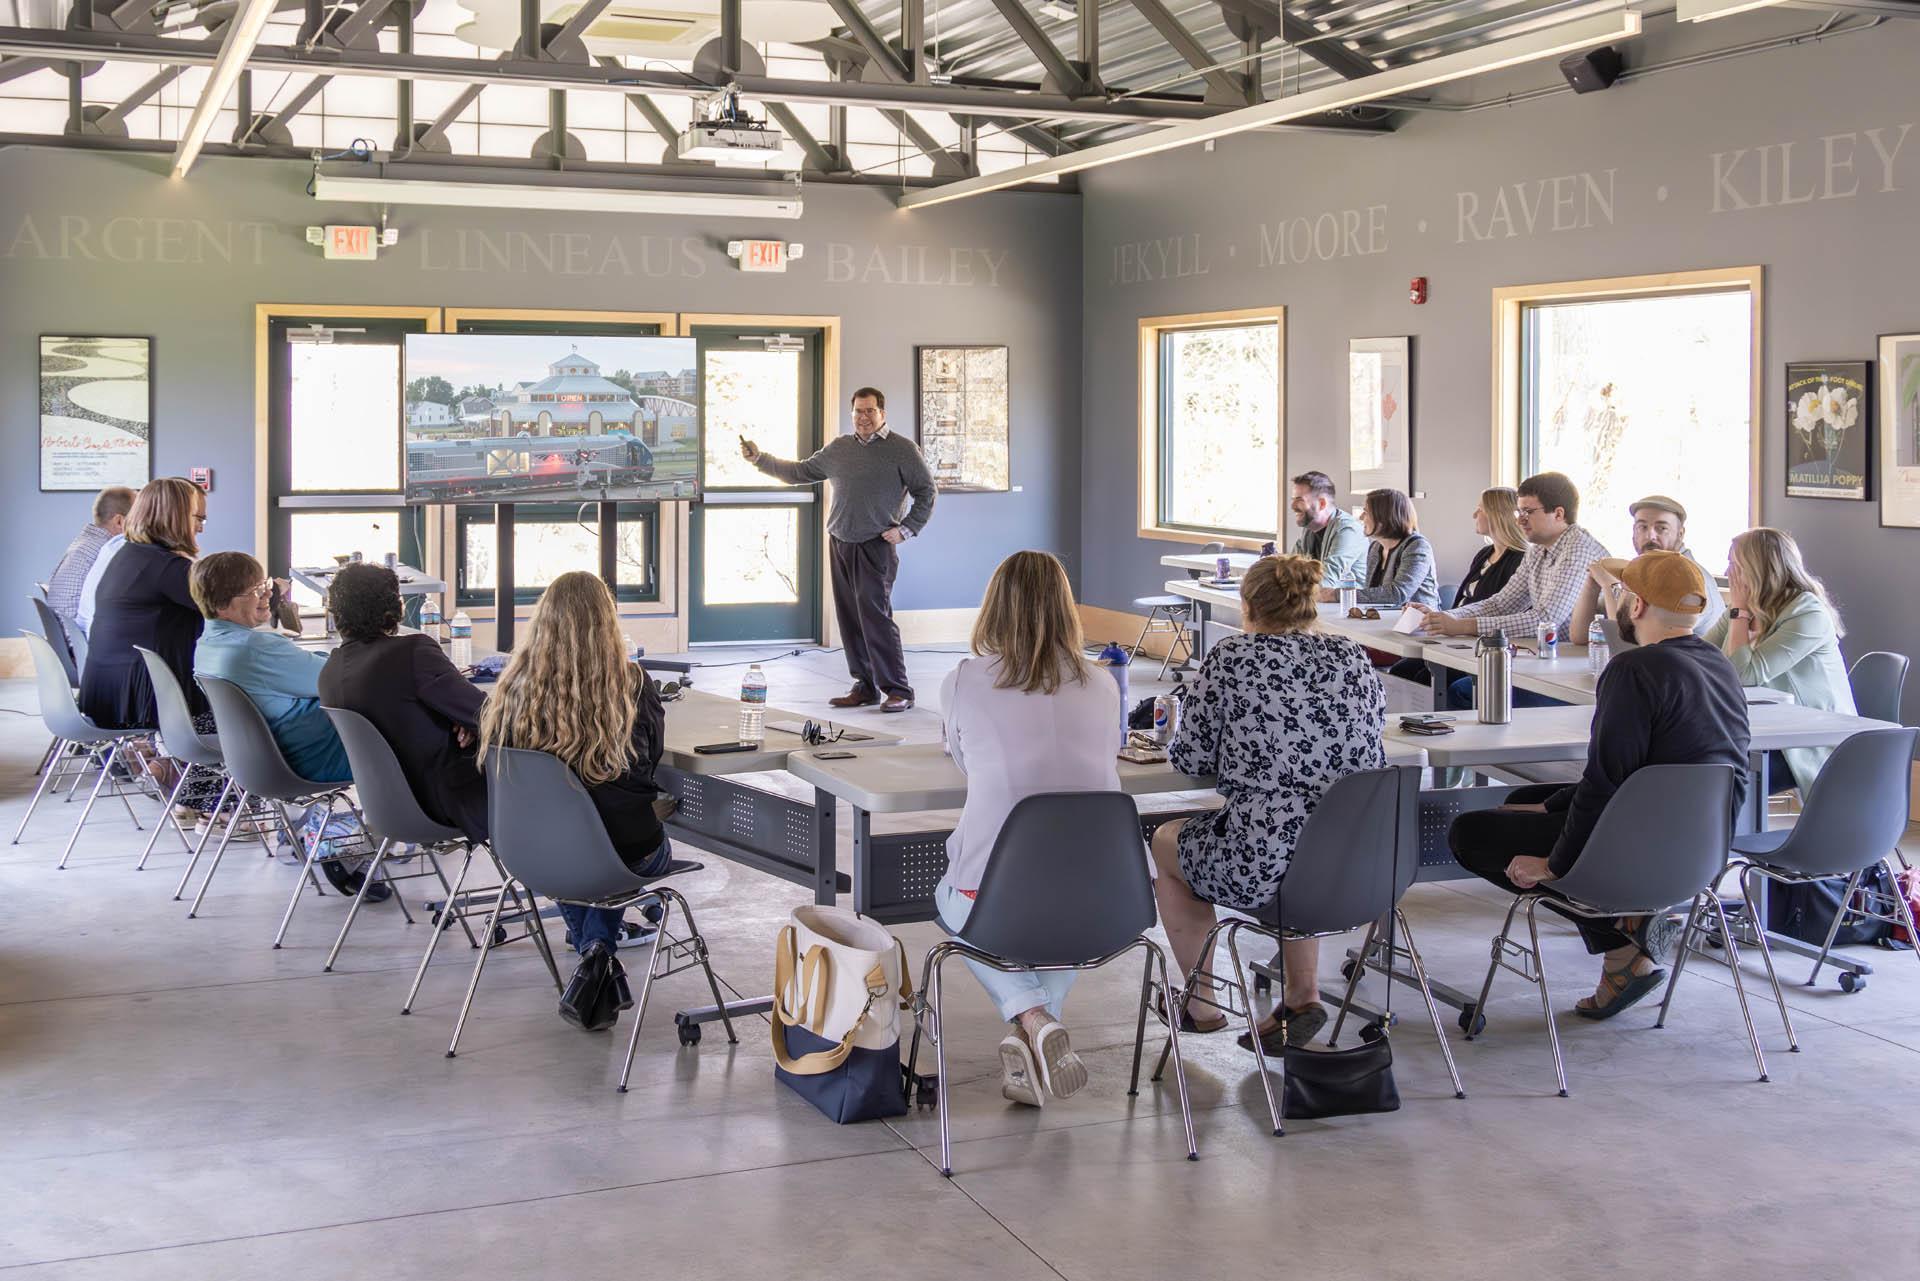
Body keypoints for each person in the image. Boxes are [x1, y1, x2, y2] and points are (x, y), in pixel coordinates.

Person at [1448, 551, 1750, 1019]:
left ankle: (1621, 943)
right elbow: (1636, 775)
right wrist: (1551, 807)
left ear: (1638, 605)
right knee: (1524, 800)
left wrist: (1555, 863)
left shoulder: (1633, 670)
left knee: (1470, 833)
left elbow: (1607, 781)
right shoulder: (1718, 664)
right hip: (1699, 848)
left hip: (1631, 848)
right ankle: (1630, 921)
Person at [1149, 555, 1387, 1052]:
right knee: (1305, 831)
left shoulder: (1235, 656)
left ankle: (1202, 1005)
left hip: (1263, 862)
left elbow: (1191, 754)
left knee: (1167, 840)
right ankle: (1303, 994)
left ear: (1248, 605)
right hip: (1354, 862)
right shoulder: (1353, 655)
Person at [937, 551, 1123, 1108]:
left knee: (954, 902)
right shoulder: (1103, 683)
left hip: (998, 890)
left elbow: (965, 760)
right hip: (1104, 897)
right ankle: (1034, 1038)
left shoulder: (965, 681)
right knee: (1062, 918)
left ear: (993, 608)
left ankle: (1032, 1017)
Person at [476, 572, 672, 1031]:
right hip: (624, 856)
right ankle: (598, 950)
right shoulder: (632, 685)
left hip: (531, 854)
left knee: (572, 853)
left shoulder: (510, 691)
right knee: (612, 843)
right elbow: (649, 766)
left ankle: (595, 951)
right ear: (607, 623)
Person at [192, 551, 375, 897]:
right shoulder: (254, 647)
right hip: (306, 758)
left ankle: (325, 835)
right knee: (401, 732)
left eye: (264, 585)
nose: (267, 595)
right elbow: (335, 679)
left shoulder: (207, 645)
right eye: (254, 591)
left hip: (258, 762)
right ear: (221, 604)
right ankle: (350, 846)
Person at [742, 387, 936, 713]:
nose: (863, 418)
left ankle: (899, 690)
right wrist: (760, 459)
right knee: (849, 619)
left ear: (882, 413)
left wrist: (906, 529)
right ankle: (865, 686)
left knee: (876, 618)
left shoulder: (903, 450)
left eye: (870, 411)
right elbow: (800, 472)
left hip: (875, 547)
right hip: (840, 543)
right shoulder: (839, 449)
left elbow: (926, 492)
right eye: (858, 412)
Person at [317, 564, 487, 842]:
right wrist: (468, 720)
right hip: (452, 800)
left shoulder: (330, 672)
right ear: (393, 607)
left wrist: (466, 719)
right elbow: (488, 714)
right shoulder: (413, 652)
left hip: (389, 808)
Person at [1413, 472, 1610, 709]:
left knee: (1464, 692)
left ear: (1558, 514)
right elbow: (1502, 603)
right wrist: (1448, 617)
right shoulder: (1538, 548)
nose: (1520, 520)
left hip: (1576, 671)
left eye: (1528, 512)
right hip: (1548, 659)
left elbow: (1547, 619)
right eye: (1519, 512)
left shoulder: (1578, 549)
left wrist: (1464, 626)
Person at [1704, 527, 1855, 794]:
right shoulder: (1745, 607)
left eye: (1734, 565)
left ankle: (1727, 835)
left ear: (1758, 568)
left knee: (1721, 779)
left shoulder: (1807, 613)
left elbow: (1741, 675)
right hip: (1760, 729)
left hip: (1808, 743)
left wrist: (1739, 613)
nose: (1728, 574)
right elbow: (1700, 655)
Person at [78, 477, 208, 732]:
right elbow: (225, 610)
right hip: (141, 700)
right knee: (247, 711)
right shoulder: (168, 567)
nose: (200, 528)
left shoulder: (128, 554)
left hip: (108, 691)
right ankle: (181, 768)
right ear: (176, 517)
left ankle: (162, 765)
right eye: (197, 518)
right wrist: (267, 594)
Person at [1388, 487, 1525, 687]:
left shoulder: (1519, 561)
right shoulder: (1484, 554)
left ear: (1498, 515)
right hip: (1457, 639)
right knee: (1402, 670)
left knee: (1423, 678)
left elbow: (1501, 610)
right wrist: (1434, 615)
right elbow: (1464, 605)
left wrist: (1454, 622)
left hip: (1481, 645)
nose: (1474, 515)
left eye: (1480, 509)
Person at [1569, 494, 1725, 642]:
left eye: (1661, 528)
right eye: (1642, 527)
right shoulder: (1643, 573)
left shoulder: (1689, 578)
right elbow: (1581, 636)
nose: (1650, 536)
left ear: (1680, 534)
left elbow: (1626, 648)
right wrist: (1591, 585)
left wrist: (1610, 586)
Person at [1320, 487, 1439, 608]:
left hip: (1420, 623)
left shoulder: (1417, 547)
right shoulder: (1376, 547)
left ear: (1383, 517)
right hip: (1385, 619)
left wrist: (1337, 595)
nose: (1361, 517)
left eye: (1366, 512)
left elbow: (1397, 595)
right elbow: (1371, 593)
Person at [45, 485, 134, 636]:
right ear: (119, 521)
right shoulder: (107, 550)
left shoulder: (86, 542)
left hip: (65, 640)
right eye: (139, 518)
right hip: (80, 644)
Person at [1287, 471, 1366, 588]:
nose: (1293, 506)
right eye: (1293, 499)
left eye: (1300, 500)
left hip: (1347, 604)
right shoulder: (1309, 529)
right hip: (1319, 603)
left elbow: (1328, 580)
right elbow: (1291, 569)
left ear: (1322, 503)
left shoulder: (1348, 530)